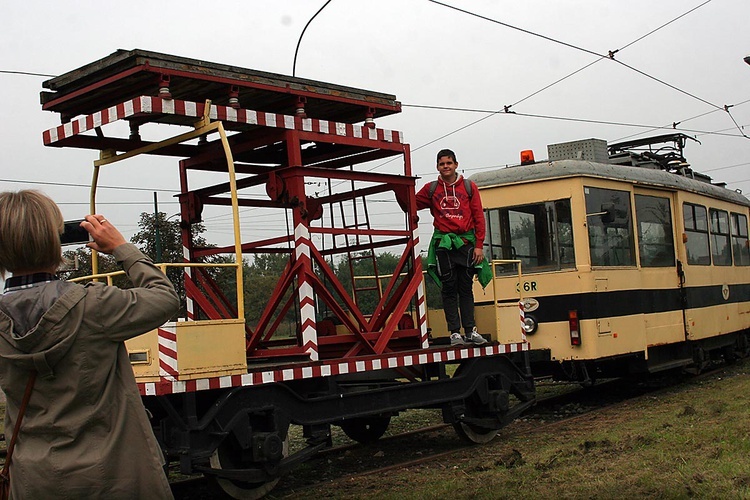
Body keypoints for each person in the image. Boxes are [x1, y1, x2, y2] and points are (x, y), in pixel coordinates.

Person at [0, 190, 180, 499]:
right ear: (55, 240)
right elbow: (164, 298)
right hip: (111, 478)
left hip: (32, 481)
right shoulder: (93, 305)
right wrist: (121, 248)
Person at [416, 149, 491, 346]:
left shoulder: (468, 187)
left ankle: (470, 331)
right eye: (442, 164)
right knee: (449, 288)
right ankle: (454, 333)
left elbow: (478, 217)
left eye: (449, 163)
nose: (446, 167)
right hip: (444, 245)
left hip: (466, 244)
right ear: (437, 167)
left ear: (456, 164)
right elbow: (411, 203)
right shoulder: (431, 189)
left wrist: (479, 246)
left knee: (466, 288)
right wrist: (397, 188)